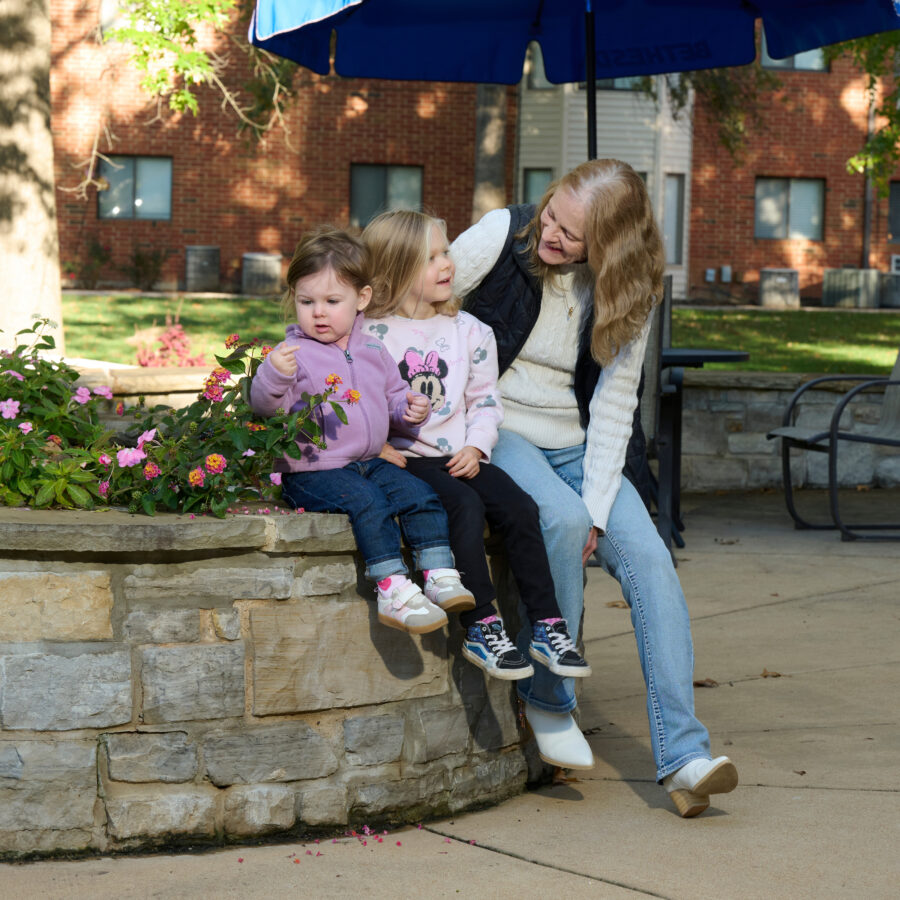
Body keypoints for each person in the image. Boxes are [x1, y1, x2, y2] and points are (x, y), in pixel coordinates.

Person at [450, 159, 738, 818]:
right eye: (553, 214)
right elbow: (419, 297)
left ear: (608, 248)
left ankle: (685, 758)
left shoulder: (633, 287)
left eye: (571, 234)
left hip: (580, 443)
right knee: (557, 518)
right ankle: (550, 703)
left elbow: (612, 408)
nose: (549, 234)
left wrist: (602, 512)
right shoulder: (502, 234)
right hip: (499, 429)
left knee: (653, 566)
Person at [361, 209, 591, 691]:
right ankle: (483, 626)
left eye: (445, 251)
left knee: (520, 508)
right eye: (430, 258)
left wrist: (477, 445)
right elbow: (353, 397)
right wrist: (375, 443)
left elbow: (485, 401)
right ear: (394, 271)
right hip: (407, 460)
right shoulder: (369, 333)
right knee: (463, 507)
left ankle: (548, 626)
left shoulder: (470, 331)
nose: (447, 263)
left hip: (459, 454)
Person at [249, 226, 475, 636]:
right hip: (314, 471)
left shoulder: (373, 349)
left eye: (332, 301)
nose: (318, 312)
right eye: (307, 301)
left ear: (362, 300)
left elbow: (391, 402)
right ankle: (392, 587)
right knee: (369, 503)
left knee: (420, 496)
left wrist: (410, 411)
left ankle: (439, 573)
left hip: (370, 461)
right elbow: (267, 408)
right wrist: (272, 376)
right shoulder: (292, 357)